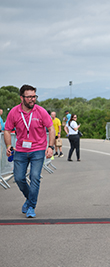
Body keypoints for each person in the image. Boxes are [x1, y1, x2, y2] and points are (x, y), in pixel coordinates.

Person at [4, 85, 55, 218]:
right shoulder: (14, 112)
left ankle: (31, 206)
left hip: (38, 150)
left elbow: (51, 128)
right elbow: (7, 130)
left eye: (34, 96)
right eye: (29, 97)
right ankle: (30, 199)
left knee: (35, 177)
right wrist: (8, 145)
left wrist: (51, 147)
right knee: (19, 178)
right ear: (22, 98)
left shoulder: (41, 111)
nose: (33, 99)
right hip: (20, 150)